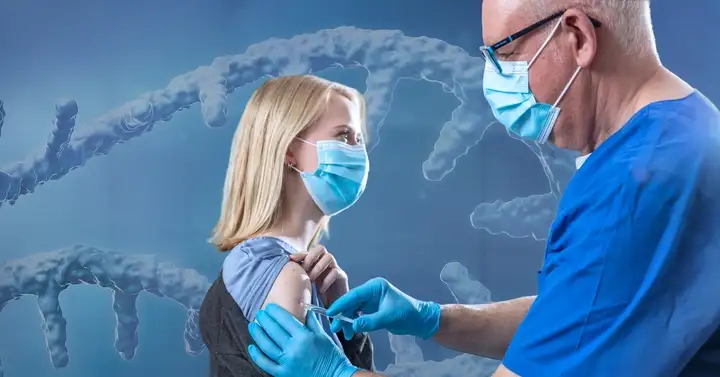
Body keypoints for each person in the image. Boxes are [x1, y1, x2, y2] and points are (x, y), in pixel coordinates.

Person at [245, 1, 720, 376]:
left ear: (577, 36)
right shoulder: (688, 129)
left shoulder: (636, 188)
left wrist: (334, 374)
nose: (495, 81)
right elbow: (588, 313)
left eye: (506, 54)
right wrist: (433, 318)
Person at [198, 75, 375, 376]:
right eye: (343, 136)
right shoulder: (290, 276)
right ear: (288, 150)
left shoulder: (253, 262)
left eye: (359, 140)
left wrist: (347, 327)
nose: (358, 153)